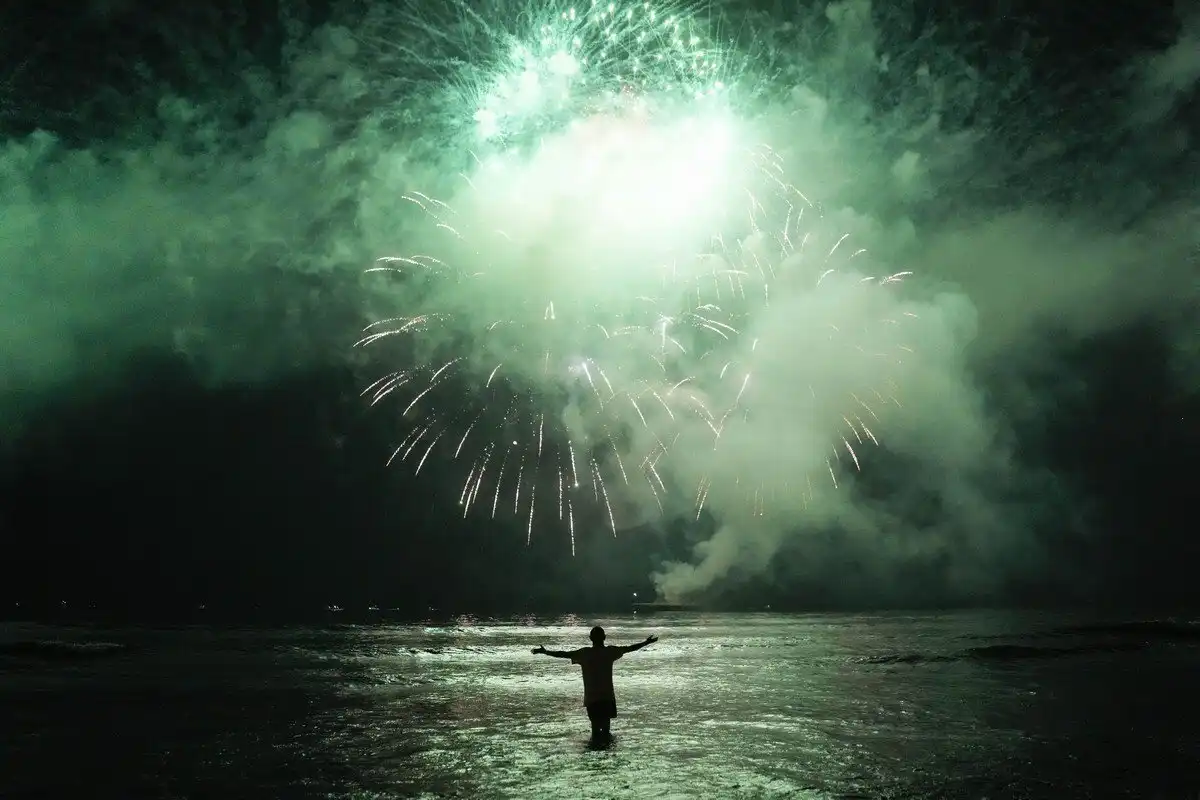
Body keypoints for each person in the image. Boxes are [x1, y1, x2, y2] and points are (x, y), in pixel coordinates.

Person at [532, 626, 658, 741]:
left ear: (590, 638)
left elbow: (563, 654)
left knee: (595, 733)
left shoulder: (584, 653)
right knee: (607, 732)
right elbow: (629, 648)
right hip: (607, 697)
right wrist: (646, 642)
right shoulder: (610, 652)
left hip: (592, 699)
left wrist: (545, 652)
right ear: (604, 637)